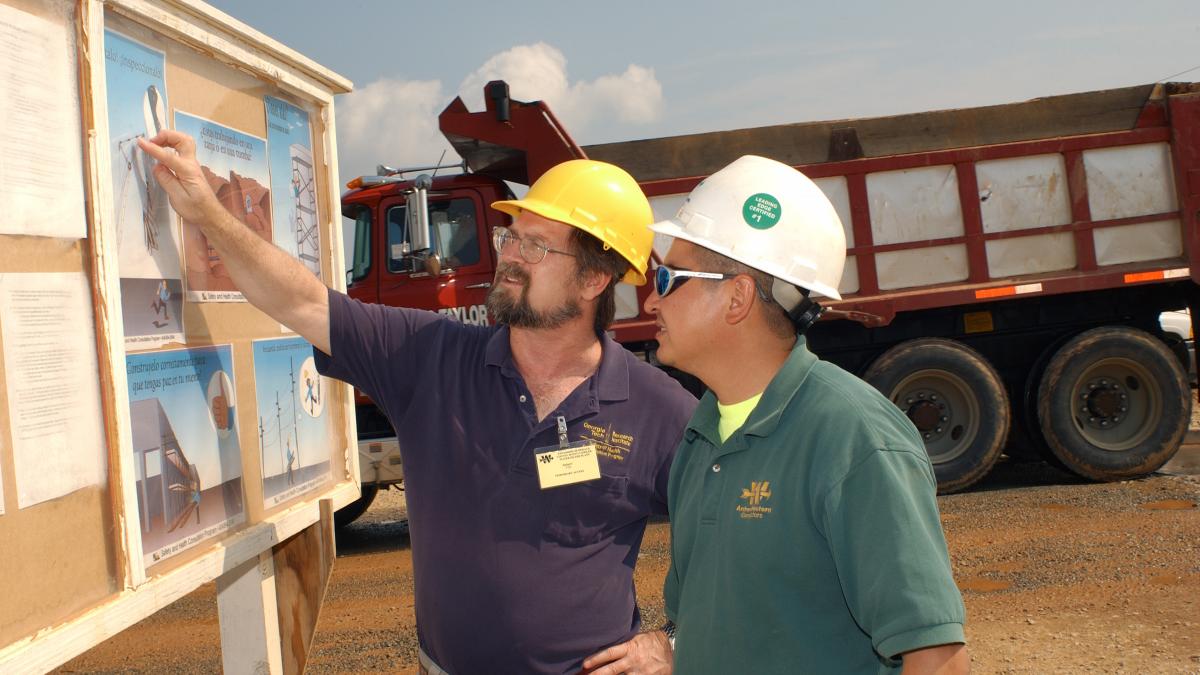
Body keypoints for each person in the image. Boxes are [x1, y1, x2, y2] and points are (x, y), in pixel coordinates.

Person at [138, 131, 696, 674]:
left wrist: (675, 639)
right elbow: (302, 302)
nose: (510, 256)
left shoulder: (657, 409)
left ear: (594, 278)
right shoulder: (429, 357)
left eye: (536, 246)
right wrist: (209, 214)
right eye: (511, 236)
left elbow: (744, 542)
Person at [586, 155, 968, 674]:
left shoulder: (851, 437)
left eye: (669, 277)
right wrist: (673, 646)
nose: (651, 300)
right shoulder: (702, 436)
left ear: (737, 297)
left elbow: (937, 657)